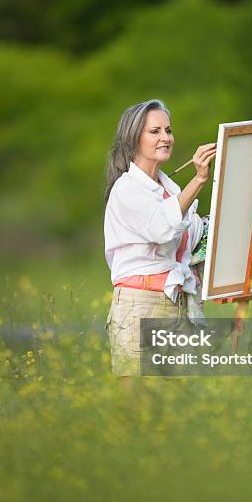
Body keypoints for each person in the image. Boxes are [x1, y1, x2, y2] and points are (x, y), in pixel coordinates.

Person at [103, 99, 216, 377]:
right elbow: (162, 228)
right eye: (155, 132)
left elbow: (193, 244)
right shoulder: (127, 188)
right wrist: (199, 179)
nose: (165, 138)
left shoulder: (170, 187)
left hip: (176, 304)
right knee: (137, 408)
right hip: (140, 304)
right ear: (134, 138)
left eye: (168, 130)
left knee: (173, 410)